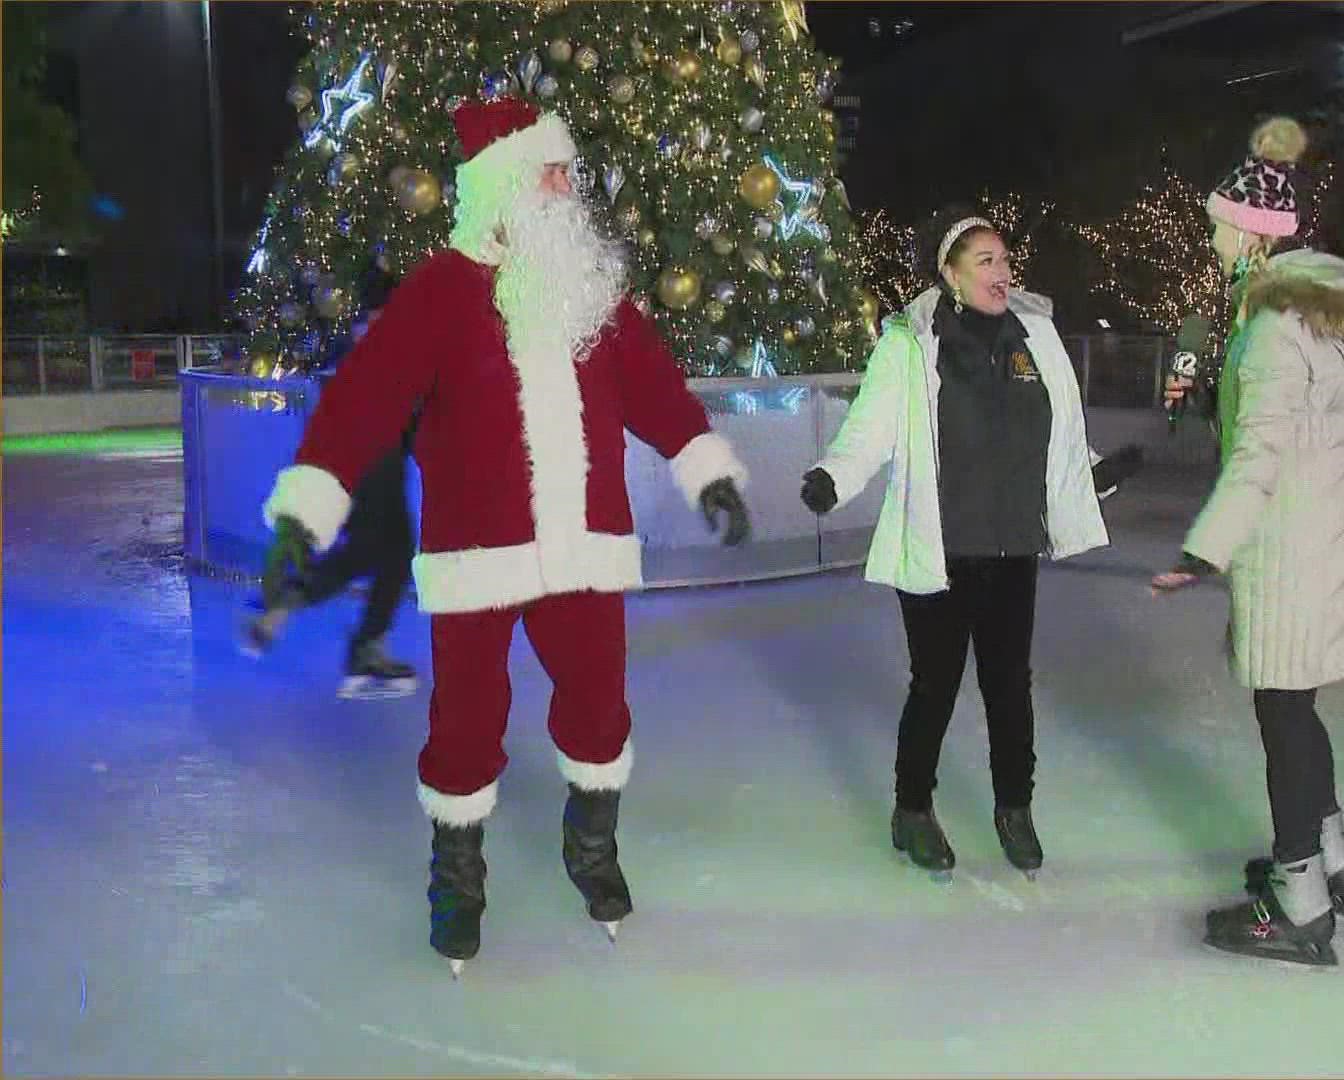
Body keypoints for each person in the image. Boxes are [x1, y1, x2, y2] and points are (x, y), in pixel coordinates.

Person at [257, 97, 751, 976]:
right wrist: (308, 504)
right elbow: (367, 394)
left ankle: (591, 847)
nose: (569, 189)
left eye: (569, 173)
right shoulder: (444, 288)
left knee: (599, 701)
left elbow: (653, 383)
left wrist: (704, 465)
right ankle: (457, 875)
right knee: (468, 714)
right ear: (506, 187)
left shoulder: (594, 290)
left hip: (587, 545)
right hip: (477, 552)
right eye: (553, 173)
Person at [799, 206, 1142, 882]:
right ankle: (912, 809)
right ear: (950, 274)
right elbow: (872, 426)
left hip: (1014, 545)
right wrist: (834, 477)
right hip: (941, 546)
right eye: (984, 260)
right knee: (935, 685)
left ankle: (1015, 807)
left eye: (1005, 258)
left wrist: (1094, 474)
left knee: (1009, 686)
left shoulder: (1034, 336)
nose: (1002, 270)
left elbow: (1058, 429)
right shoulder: (911, 342)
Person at [1153, 117, 1344, 966]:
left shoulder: (1267, 331)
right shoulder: (1316, 317)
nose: (1213, 240)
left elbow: (1258, 453)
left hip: (1290, 547)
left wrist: (1202, 550)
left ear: (1253, 234)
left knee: (1281, 713)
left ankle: (1298, 898)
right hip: (1327, 534)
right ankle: (1328, 857)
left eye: (1220, 226)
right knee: (1299, 707)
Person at [242, 270, 420, 699]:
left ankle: (292, 599)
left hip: (358, 462)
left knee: (368, 551)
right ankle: (365, 648)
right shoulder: (379, 346)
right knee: (391, 549)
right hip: (372, 460)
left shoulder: (356, 350)